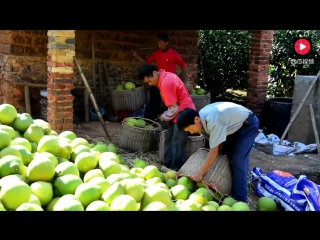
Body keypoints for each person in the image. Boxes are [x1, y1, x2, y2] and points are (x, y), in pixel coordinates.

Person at [176, 102, 259, 202]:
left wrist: (200, 173)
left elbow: (213, 152)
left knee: (238, 160)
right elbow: (217, 142)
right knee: (226, 154)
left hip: (248, 125)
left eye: (190, 129)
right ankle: (229, 187)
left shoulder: (212, 120)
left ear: (196, 119)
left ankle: (240, 199)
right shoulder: (202, 116)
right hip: (233, 127)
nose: (191, 133)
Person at [138, 64, 196, 171]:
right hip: (180, 111)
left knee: (177, 141)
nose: (150, 84)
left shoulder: (165, 83)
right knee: (169, 137)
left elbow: (173, 108)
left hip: (184, 113)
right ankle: (167, 164)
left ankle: (176, 169)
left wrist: (163, 117)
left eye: (149, 81)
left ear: (155, 73)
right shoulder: (167, 76)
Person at [132, 34, 187, 120]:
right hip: (157, 81)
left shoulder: (173, 54)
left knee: (169, 103)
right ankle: (149, 121)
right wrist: (136, 56)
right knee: (153, 102)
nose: (159, 45)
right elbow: (146, 63)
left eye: (161, 43)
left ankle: (168, 121)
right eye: (158, 43)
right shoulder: (156, 53)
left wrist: (183, 77)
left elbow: (183, 65)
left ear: (167, 42)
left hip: (169, 83)